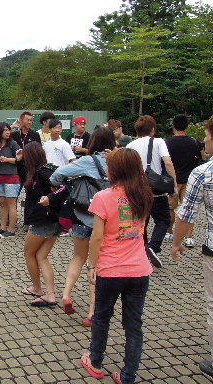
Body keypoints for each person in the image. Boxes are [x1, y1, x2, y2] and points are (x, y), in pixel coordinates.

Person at [81, 148, 154, 384]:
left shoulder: (103, 197)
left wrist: (92, 266)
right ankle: (127, 375)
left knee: (102, 318)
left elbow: (96, 238)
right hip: (139, 269)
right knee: (134, 325)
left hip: (110, 270)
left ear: (115, 170)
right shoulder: (144, 194)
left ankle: (95, 361)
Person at [50, 126, 116, 327]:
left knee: (78, 256)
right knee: (96, 265)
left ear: (93, 142)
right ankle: (92, 312)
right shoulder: (118, 162)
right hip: (106, 221)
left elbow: (57, 175)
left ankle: (67, 294)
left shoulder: (88, 161)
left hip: (82, 215)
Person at [171, 115, 213, 378]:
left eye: (208, 135)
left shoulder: (205, 173)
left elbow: (186, 214)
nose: (205, 140)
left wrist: (177, 243)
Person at [126, 114, 177, 268]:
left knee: (142, 222)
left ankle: (143, 251)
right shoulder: (159, 141)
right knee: (163, 219)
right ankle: (153, 247)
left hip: (138, 189)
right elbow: (167, 162)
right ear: (153, 129)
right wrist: (174, 183)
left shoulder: (130, 146)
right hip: (156, 190)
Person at [20, 142, 66, 306]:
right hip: (52, 220)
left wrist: (49, 198)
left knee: (29, 252)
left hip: (44, 220)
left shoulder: (43, 172)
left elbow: (64, 188)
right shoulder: (39, 170)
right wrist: (19, 161)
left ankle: (38, 288)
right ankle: (50, 294)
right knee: (41, 256)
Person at [165, 114, 203, 246]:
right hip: (189, 180)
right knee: (190, 209)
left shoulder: (167, 143)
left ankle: (169, 232)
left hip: (172, 181)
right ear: (187, 126)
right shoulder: (194, 142)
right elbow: (201, 158)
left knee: (171, 209)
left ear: (173, 126)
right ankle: (189, 237)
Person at [0, 122, 21, 237]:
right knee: (2, 203)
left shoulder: (13, 144)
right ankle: (2, 227)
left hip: (12, 177)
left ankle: (11, 230)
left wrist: (6, 159)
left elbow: (20, 159)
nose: (8, 132)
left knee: (11, 204)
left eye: (8, 130)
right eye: (5, 130)